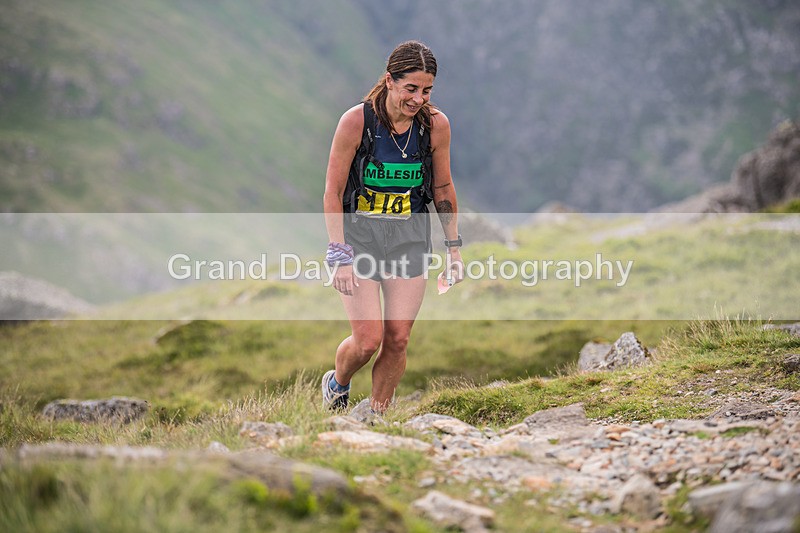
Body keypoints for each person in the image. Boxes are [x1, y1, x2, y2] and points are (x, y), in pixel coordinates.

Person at [321, 40, 463, 416]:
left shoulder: (435, 126)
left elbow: (442, 188)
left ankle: (375, 418)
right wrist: (339, 254)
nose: (418, 98)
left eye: (427, 90)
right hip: (359, 239)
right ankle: (338, 383)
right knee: (368, 341)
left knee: (397, 338)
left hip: (408, 239)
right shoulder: (357, 122)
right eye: (410, 88)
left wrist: (454, 249)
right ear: (389, 81)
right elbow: (333, 193)